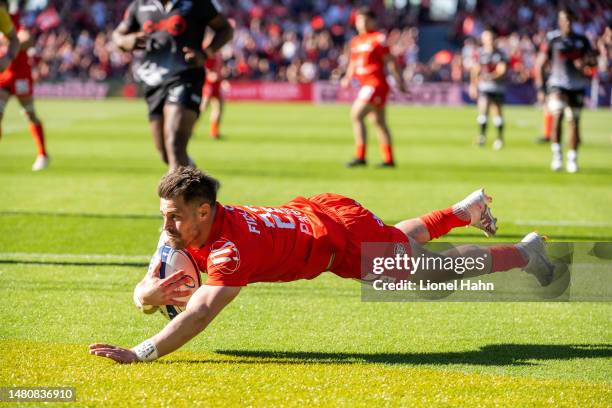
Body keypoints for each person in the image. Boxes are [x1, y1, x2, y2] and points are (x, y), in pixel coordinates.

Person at [90, 167, 556, 364]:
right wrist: (144, 296)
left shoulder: (230, 250)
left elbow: (200, 312)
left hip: (341, 241)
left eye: (173, 215)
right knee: (400, 244)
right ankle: (464, 212)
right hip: (323, 218)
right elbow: (150, 288)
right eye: (164, 214)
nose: (166, 225)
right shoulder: (180, 225)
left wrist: (140, 352)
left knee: (429, 274)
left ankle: (528, 252)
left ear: (204, 210)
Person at [113, 0, 233, 171]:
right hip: (153, 82)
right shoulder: (139, 5)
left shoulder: (196, 3)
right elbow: (117, 36)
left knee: (175, 145)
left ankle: (171, 197)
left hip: (186, 77)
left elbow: (226, 29)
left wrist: (206, 53)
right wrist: (126, 41)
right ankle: (203, 187)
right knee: (166, 154)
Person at [341, 7, 406, 168]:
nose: (359, 24)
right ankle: (389, 159)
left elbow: (390, 61)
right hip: (366, 84)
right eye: (357, 21)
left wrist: (399, 81)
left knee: (356, 115)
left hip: (376, 84)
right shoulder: (356, 41)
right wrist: (347, 77)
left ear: (372, 21)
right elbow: (353, 62)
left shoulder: (378, 38)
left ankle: (361, 157)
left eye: (362, 20)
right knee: (379, 122)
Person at [535, 9, 597, 173]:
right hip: (557, 85)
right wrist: (541, 89)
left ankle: (572, 158)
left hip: (576, 86)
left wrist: (584, 63)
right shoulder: (553, 39)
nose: (567, 23)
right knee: (558, 115)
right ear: (559, 21)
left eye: (570, 20)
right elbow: (540, 63)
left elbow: (593, 61)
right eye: (564, 20)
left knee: (574, 121)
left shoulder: (582, 40)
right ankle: (557, 156)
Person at [0, 1, 41, 169]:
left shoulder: (13, 19)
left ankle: (43, 154)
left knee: (29, 114)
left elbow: (24, 39)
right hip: (4, 78)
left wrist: (8, 54)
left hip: (20, 77)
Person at [469, 27, 508, 150]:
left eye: (490, 38)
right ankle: (482, 136)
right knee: (483, 110)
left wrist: (490, 76)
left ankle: (499, 138)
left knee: (497, 113)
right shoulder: (480, 53)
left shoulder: (500, 54)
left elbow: (502, 70)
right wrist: (473, 85)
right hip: (484, 87)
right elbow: (475, 70)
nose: (488, 40)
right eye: (486, 38)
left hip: (497, 87)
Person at [200, 52, 224, 140]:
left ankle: (214, 133)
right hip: (209, 84)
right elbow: (204, 68)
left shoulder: (219, 54)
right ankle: (189, 128)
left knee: (218, 108)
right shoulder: (210, 53)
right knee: (203, 108)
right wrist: (210, 75)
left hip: (217, 83)